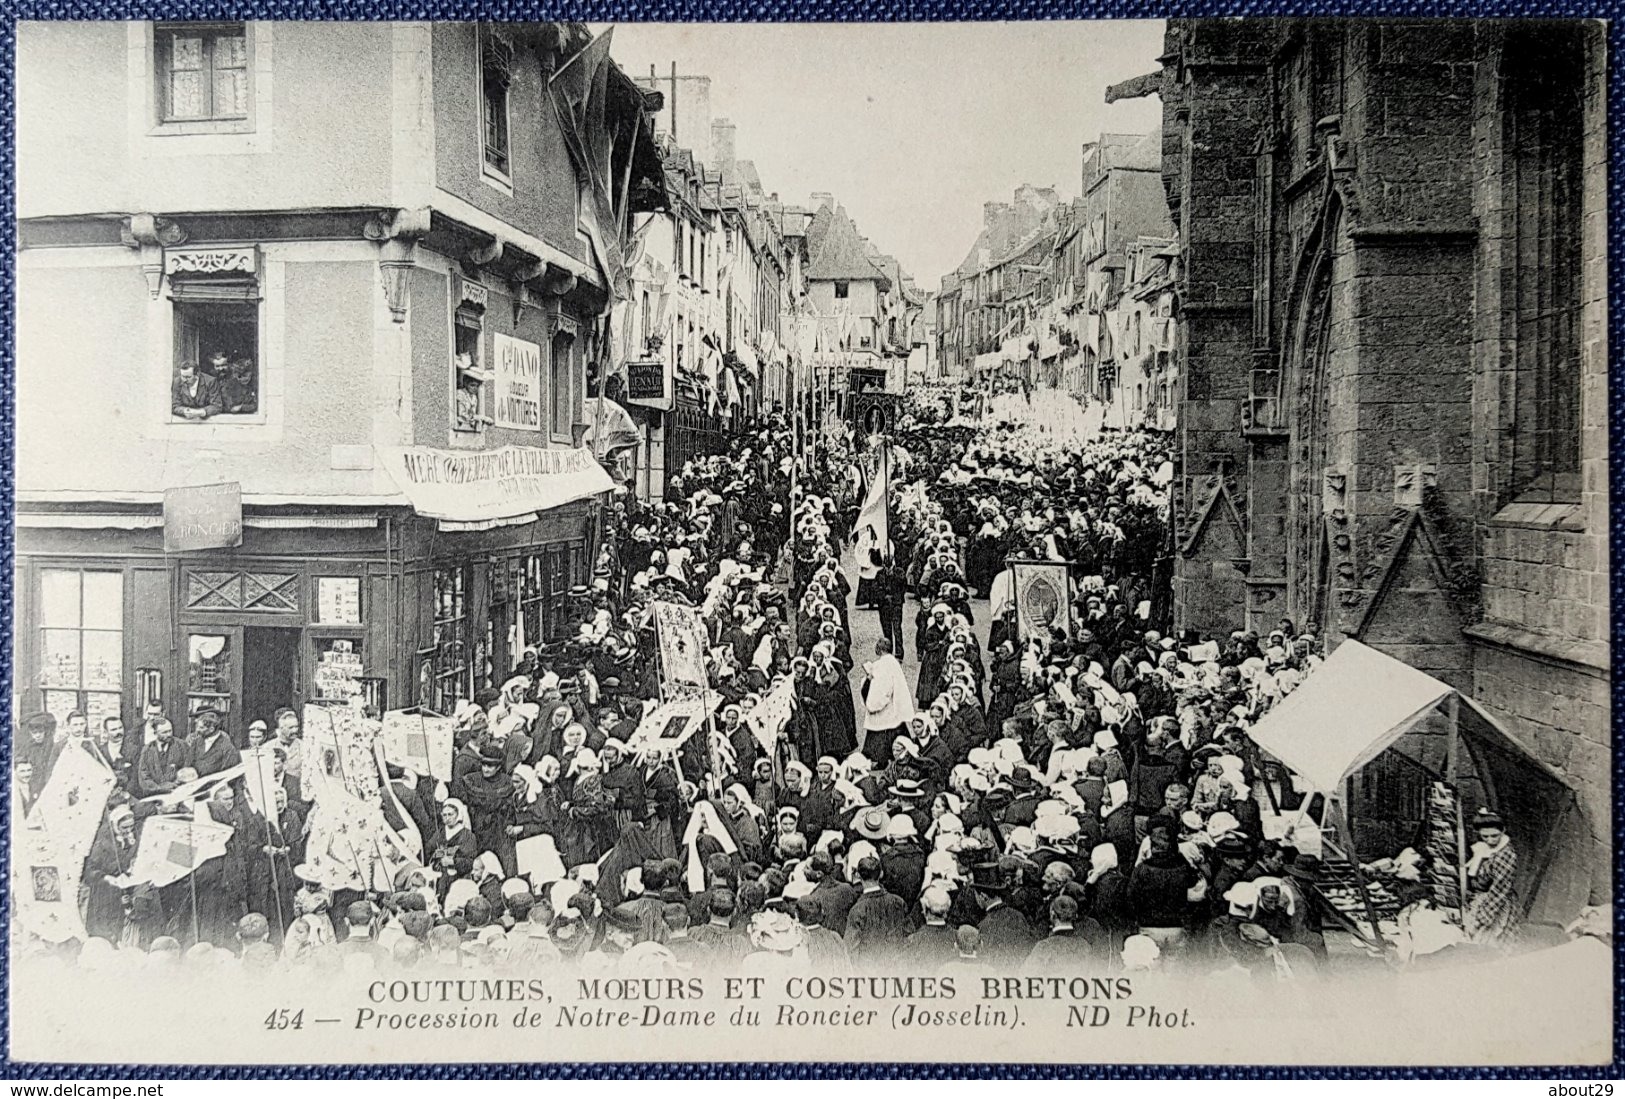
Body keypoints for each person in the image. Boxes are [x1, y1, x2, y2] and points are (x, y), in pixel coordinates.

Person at [1464, 808, 1519, 947]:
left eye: (1494, 835)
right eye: (1485, 836)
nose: (1490, 840)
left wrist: (1482, 919)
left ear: (1503, 830)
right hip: (1483, 900)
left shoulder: (1505, 854)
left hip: (1497, 904)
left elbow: (1499, 890)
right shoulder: (1485, 849)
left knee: (1492, 942)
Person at [861, 638, 914, 764]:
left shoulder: (882, 665)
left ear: (878, 650)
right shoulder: (894, 663)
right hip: (893, 705)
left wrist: (872, 703)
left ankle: (881, 760)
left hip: (884, 707)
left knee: (881, 732)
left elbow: (881, 688)